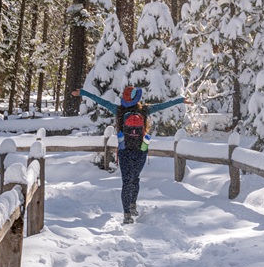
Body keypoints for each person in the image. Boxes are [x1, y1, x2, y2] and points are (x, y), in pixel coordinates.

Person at [71, 85, 187, 224]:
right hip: (141, 150)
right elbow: (163, 105)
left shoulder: (118, 110)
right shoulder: (144, 110)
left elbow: (100, 101)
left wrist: (83, 92)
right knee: (135, 178)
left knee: (126, 181)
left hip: (124, 149)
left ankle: (127, 213)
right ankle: (132, 205)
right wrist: (180, 100)